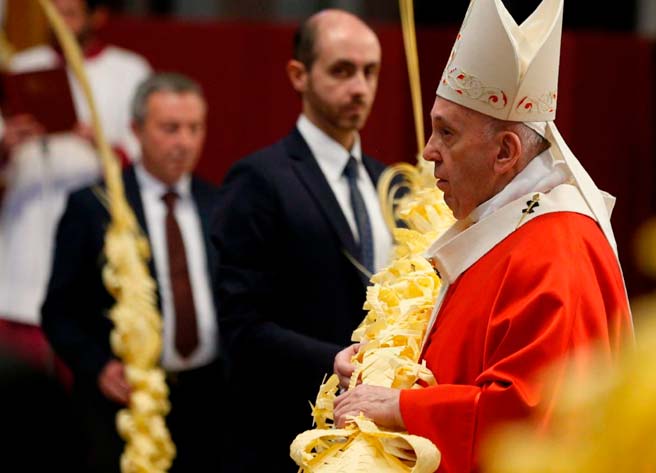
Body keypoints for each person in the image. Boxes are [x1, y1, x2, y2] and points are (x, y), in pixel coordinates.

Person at [332, 1, 634, 471]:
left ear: (506, 152)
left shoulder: (558, 250)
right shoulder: (504, 224)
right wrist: (383, 367)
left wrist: (398, 408)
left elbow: (534, 421)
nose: (429, 152)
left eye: (446, 133)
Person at [211, 9, 391, 472]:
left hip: (377, 433)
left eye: (370, 71)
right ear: (299, 74)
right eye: (342, 70)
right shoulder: (259, 179)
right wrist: (330, 359)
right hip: (284, 431)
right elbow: (240, 325)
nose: (360, 88)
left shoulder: (390, 184)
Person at [41, 72, 224, 473]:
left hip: (208, 400)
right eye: (170, 129)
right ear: (137, 130)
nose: (185, 142)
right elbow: (58, 311)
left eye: (195, 128)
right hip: (124, 403)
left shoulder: (220, 204)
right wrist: (98, 366)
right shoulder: (95, 206)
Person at [0, 0, 151, 343]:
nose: (61, 24)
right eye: (55, 13)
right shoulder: (25, 65)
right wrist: (8, 139)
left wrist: (99, 141)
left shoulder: (129, 70)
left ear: (97, 16)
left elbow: (145, 149)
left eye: (70, 14)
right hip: (26, 221)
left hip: (93, 221)